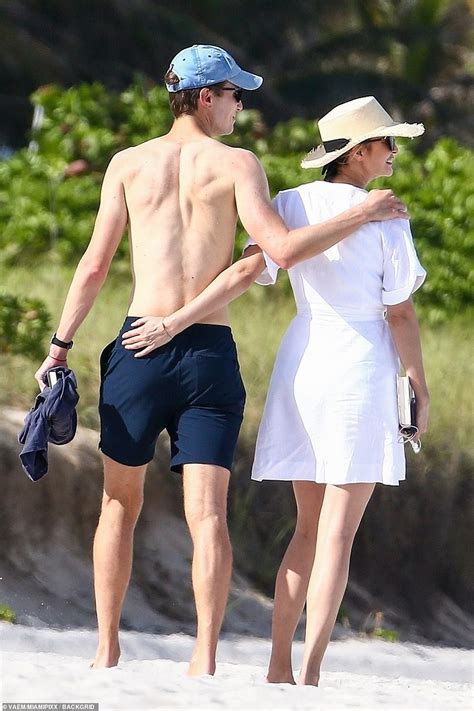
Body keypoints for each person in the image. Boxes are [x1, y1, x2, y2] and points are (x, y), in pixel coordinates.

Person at [33, 42, 408, 676]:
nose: (240, 107)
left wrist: (60, 346)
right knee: (207, 513)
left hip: (135, 346)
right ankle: (203, 659)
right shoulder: (237, 165)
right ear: (207, 97)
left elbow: (95, 264)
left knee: (118, 504)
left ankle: (106, 651)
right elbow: (281, 250)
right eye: (236, 95)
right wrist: (365, 211)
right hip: (205, 351)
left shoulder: (126, 163)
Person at [245, 96, 430, 685]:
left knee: (305, 529)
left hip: (304, 357)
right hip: (359, 363)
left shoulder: (291, 202)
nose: (394, 152)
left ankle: (277, 664)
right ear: (359, 152)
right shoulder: (387, 214)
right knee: (337, 536)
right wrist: (419, 386)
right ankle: (312, 672)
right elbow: (398, 312)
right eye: (386, 142)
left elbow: (261, 267)